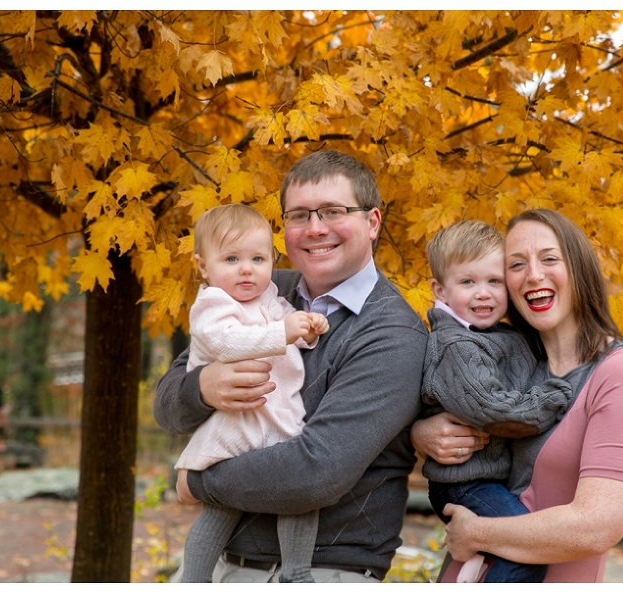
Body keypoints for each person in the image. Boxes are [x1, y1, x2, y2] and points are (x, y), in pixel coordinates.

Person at [154, 150, 429, 583]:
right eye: (300, 215)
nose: (315, 228)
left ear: (373, 222)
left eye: (333, 212)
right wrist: (203, 388)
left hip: (325, 570)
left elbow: (315, 473)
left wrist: (197, 483)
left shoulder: (391, 334)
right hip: (226, 564)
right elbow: (167, 407)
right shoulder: (257, 288)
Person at [412, 208, 623, 582]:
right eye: (516, 264)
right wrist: (422, 432)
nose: (533, 274)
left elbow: (598, 526)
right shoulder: (513, 357)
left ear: (578, 268)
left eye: (549, 258)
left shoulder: (621, 374)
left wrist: (477, 532)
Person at [173, 203, 329, 582]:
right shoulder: (213, 305)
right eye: (231, 258)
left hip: (277, 418)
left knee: (299, 499)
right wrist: (284, 332)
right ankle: (194, 577)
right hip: (236, 424)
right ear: (203, 266)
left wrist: (308, 328)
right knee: (221, 508)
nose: (247, 268)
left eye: (258, 258)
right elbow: (227, 344)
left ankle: (296, 571)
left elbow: (292, 340)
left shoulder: (272, 301)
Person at [420, 220, 573, 582]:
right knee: (527, 549)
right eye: (468, 282)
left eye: (494, 281)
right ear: (440, 290)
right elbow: (490, 409)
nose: (483, 294)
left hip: (493, 480)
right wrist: (553, 399)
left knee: (516, 544)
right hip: (464, 482)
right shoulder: (455, 346)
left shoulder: (505, 335)